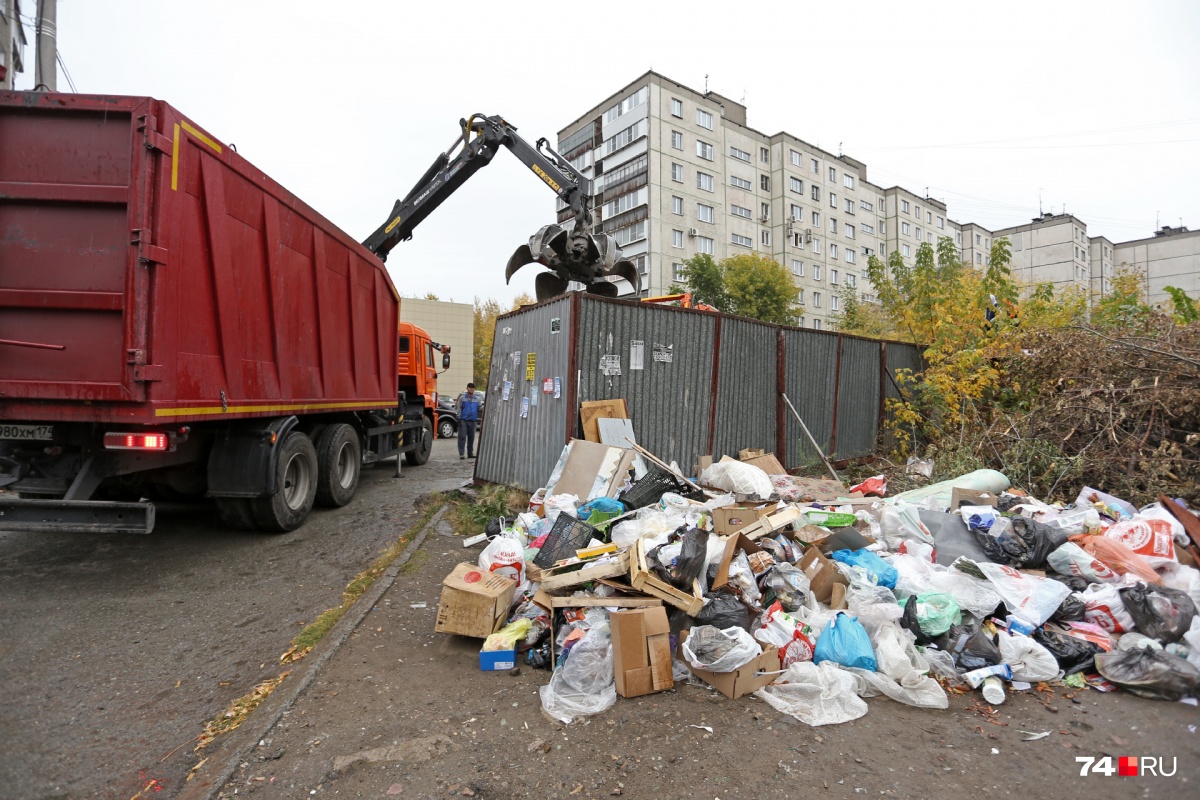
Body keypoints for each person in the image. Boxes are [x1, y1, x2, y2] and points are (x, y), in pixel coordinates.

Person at [454, 383, 481, 459]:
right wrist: (458, 418)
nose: (471, 389)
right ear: (467, 388)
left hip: (473, 421)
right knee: (462, 437)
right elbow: (459, 408)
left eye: (473, 388)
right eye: (470, 387)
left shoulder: (477, 399)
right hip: (463, 421)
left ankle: (470, 453)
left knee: (471, 438)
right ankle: (462, 454)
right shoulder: (462, 398)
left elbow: (479, 409)